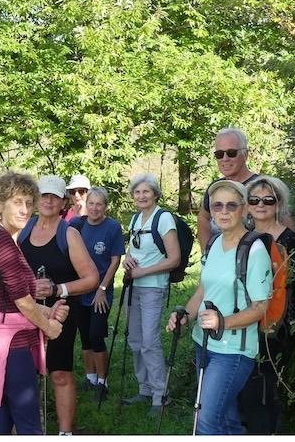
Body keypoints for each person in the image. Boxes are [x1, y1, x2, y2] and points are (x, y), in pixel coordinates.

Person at [167, 179, 272, 435]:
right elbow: (204, 289)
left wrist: (222, 322)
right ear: (211, 211)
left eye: (231, 205)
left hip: (233, 350)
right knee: (227, 419)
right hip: (203, 342)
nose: (223, 211)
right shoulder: (213, 244)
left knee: (204, 420)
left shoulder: (254, 250)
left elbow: (261, 307)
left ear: (245, 209)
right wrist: (186, 316)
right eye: (217, 206)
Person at [0, 171, 70, 435]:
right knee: (28, 423)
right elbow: (21, 301)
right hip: (9, 344)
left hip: (1, 340)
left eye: (28, 202)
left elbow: (13, 297)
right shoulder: (0, 239)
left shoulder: (6, 240)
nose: (25, 209)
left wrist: (48, 311)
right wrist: (50, 328)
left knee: (2, 419)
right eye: (17, 202)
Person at [238, 176, 295, 433]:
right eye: (254, 199)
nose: (260, 204)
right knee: (245, 385)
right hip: (243, 323)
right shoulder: (243, 238)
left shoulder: (291, 243)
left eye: (268, 199)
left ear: (278, 204)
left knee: (266, 387)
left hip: (279, 327)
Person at [18, 175, 98, 435]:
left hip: (60, 314)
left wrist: (57, 289)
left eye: (54, 196)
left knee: (59, 372)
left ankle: (65, 432)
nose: (48, 201)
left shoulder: (69, 234)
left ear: (63, 201)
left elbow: (91, 278)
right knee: (24, 374)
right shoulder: (23, 230)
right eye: (44, 195)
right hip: (26, 311)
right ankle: (24, 429)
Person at [121, 173, 180, 412]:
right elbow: (132, 250)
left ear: (155, 193)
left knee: (149, 342)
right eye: (137, 192)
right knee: (135, 341)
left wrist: (142, 272)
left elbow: (174, 259)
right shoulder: (135, 219)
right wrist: (127, 261)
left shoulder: (164, 218)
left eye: (146, 191)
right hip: (134, 287)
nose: (141, 196)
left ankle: (160, 395)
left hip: (153, 288)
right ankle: (144, 389)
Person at [197, 127, 295, 251]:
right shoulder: (216, 188)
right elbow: (203, 217)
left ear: (245, 154)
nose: (225, 159)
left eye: (231, 153)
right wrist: (206, 252)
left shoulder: (262, 186)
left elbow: (286, 223)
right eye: (219, 154)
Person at [71, 187, 124, 398]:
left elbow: (115, 260)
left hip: (100, 292)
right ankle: (90, 377)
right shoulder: (77, 225)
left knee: (96, 335)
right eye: (91, 203)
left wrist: (102, 288)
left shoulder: (112, 227)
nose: (94, 208)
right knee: (84, 337)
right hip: (80, 291)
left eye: (99, 204)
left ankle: (103, 382)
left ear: (105, 206)